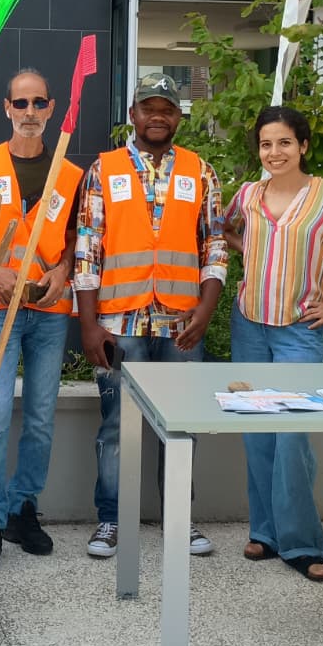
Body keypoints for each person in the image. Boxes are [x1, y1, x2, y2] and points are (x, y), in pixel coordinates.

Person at [223, 106, 323, 583]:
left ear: (304, 147)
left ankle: (303, 543)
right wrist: (248, 251)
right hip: (249, 324)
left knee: (292, 434)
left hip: (300, 331)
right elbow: (227, 229)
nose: (275, 152)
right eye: (266, 144)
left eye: (285, 143)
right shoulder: (248, 194)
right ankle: (266, 532)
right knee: (256, 430)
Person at [74, 73, 225, 559]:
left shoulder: (201, 172)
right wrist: (89, 323)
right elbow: (87, 248)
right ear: (133, 116)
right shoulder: (104, 169)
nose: (157, 116)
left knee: (180, 423)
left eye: (167, 109)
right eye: (148, 108)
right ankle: (110, 520)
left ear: (179, 117)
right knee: (117, 425)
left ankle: (180, 520)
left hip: (182, 324)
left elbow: (215, 244)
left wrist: (206, 308)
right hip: (121, 322)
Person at [0, 69, 81, 574]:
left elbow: (75, 242)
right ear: (6, 107)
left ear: (51, 110)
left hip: (48, 313)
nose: (29, 112)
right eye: (20, 103)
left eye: (39, 103)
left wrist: (64, 272)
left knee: (43, 418)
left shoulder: (69, 174)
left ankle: (24, 508)